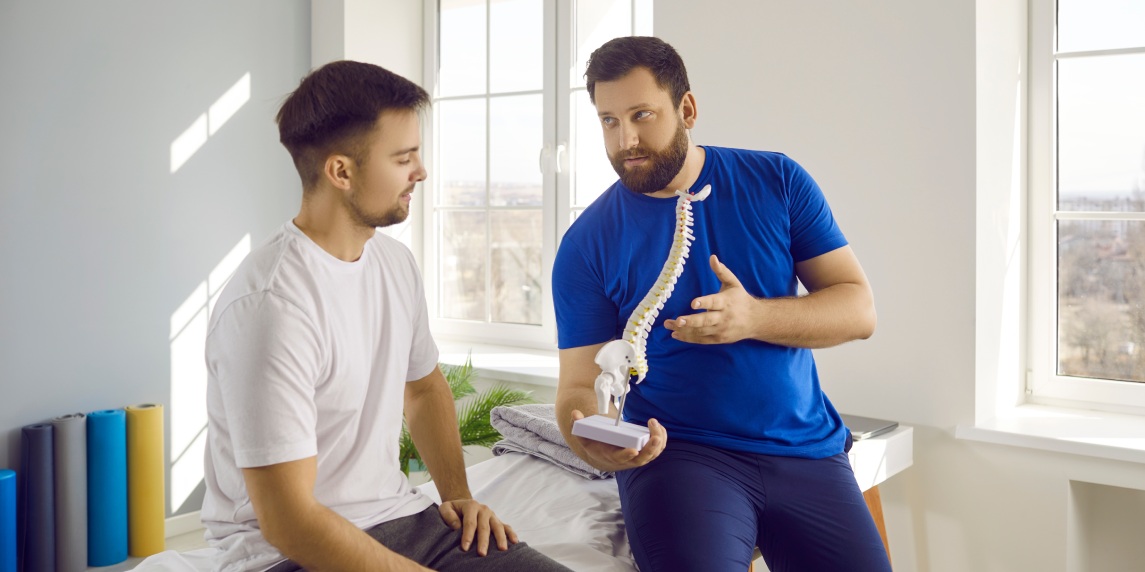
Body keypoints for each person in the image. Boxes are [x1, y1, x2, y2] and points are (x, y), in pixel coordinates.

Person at [202, 60, 571, 572]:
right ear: (341, 172)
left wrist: (457, 496)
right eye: (403, 159)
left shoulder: (393, 263)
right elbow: (288, 520)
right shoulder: (271, 307)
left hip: (405, 522)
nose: (420, 172)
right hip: (287, 555)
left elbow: (422, 388)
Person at [553, 37, 890, 572]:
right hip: (680, 456)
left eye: (642, 115)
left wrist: (754, 317)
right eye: (609, 121)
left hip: (805, 448)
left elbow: (858, 311)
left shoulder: (777, 180)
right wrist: (593, 440)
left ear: (687, 109)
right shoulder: (586, 243)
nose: (627, 139)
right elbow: (576, 385)